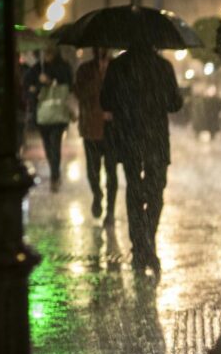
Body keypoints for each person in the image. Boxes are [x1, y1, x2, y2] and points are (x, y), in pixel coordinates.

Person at [100, 41, 183, 277]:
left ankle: (139, 248)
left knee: (134, 191)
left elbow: (105, 102)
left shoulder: (118, 66)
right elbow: (175, 104)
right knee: (155, 192)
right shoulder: (163, 67)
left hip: (129, 138)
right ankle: (148, 242)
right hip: (155, 139)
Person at [75, 47, 118, 224]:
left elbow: (123, 93)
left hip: (113, 130)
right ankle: (97, 194)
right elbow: (79, 93)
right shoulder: (85, 70)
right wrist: (98, 79)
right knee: (93, 171)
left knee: (111, 172)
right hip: (91, 128)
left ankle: (110, 211)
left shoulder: (117, 68)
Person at [25, 45, 73, 188]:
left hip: (58, 115)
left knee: (55, 143)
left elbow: (68, 84)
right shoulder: (38, 69)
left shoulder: (63, 67)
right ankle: (54, 169)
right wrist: (39, 83)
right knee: (47, 145)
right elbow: (27, 84)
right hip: (43, 115)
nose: (47, 54)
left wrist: (52, 82)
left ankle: (55, 174)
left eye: (50, 51)